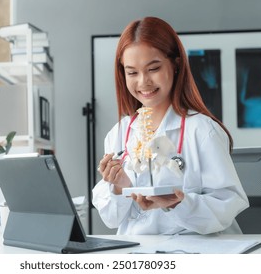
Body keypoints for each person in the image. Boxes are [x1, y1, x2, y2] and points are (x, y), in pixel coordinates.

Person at [92, 16, 249, 235]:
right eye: (132, 72)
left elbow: (228, 204)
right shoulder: (119, 133)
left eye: (153, 69)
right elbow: (111, 219)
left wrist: (177, 203)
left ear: (175, 65)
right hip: (139, 254)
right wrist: (119, 186)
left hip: (197, 252)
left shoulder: (202, 130)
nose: (143, 82)